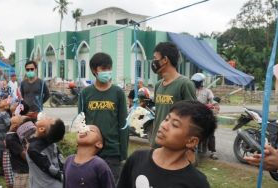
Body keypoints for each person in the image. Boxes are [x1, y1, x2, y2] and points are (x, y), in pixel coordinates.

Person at [117, 100, 217, 188]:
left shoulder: (196, 182)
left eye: (175, 125)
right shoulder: (137, 158)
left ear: (191, 141)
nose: (164, 125)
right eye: (166, 119)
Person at [78, 52, 128, 181]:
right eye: (103, 69)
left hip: (112, 153)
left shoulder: (118, 93)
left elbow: (123, 124)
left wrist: (123, 154)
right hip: (91, 151)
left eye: (109, 68)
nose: (107, 72)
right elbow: (81, 124)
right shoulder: (85, 93)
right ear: (95, 70)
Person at [150, 42, 197, 148]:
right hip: (157, 144)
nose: (153, 62)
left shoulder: (185, 84)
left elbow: (193, 119)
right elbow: (158, 115)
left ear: (165, 60)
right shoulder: (158, 85)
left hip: (174, 145)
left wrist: (190, 149)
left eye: (155, 58)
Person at [26, 117, 65, 188]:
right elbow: (61, 161)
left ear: (41, 129)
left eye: (49, 119)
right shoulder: (52, 143)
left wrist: (64, 177)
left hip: (45, 185)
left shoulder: (34, 149)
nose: (46, 116)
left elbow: (49, 168)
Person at [191, 73, 218, 160]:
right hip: (194, 114)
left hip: (205, 114)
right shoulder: (191, 91)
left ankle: (213, 152)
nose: (196, 84)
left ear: (202, 82)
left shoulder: (207, 91)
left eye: (197, 82)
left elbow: (214, 102)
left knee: (211, 133)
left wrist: (213, 105)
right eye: (195, 82)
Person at [6, 114, 35, 188]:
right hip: (22, 172)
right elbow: (25, 156)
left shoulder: (20, 135)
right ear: (16, 127)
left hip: (27, 170)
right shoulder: (11, 138)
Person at [0, 97, 12, 177]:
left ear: (5, 106)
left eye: (2, 101)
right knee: (0, 156)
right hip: (0, 140)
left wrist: (7, 137)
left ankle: (6, 171)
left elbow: (9, 124)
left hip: (4, 140)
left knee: (5, 156)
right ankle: (2, 171)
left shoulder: (4, 114)